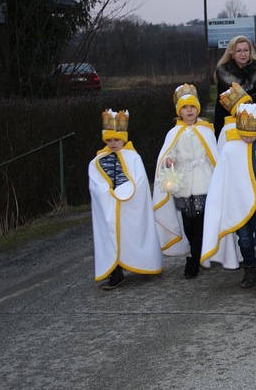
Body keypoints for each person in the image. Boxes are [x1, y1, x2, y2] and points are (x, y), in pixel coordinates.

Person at [200, 103, 256, 294]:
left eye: (252, 134)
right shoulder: (230, 149)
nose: (248, 138)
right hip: (238, 203)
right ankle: (250, 270)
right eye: (244, 134)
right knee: (245, 239)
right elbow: (223, 178)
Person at [89, 110, 163, 290]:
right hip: (109, 207)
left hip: (130, 208)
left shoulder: (133, 157)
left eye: (116, 139)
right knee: (111, 237)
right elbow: (96, 184)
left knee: (134, 234)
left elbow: (139, 182)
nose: (113, 143)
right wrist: (108, 194)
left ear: (124, 138)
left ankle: (144, 264)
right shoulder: (97, 161)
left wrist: (123, 193)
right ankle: (116, 272)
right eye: (109, 140)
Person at [153, 84, 218, 278]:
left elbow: (213, 156)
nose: (188, 111)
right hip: (182, 183)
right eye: (184, 108)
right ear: (179, 111)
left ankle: (195, 259)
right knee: (188, 222)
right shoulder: (173, 133)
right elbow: (167, 153)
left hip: (202, 182)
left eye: (192, 107)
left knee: (199, 221)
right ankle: (194, 250)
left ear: (197, 109)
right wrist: (168, 160)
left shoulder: (206, 130)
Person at [214, 35, 256, 137]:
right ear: (232, 54)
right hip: (235, 126)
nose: (243, 54)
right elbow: (220, 107)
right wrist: (218, 133)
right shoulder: (224, 75)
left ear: (250, 52)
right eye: (239, 51)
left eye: (246, 50)